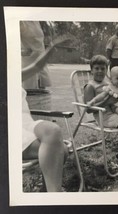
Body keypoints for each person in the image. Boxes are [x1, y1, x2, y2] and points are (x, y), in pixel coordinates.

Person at [22, 41, 68, 192]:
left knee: (53, 130)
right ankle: (54, 196)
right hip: (10, 128)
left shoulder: (11, 73)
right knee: (61, 150)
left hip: (26, 123)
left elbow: (36, 67)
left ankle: (48, 193)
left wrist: (51, 48)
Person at [20, 21, 52, 89]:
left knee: (42, 96)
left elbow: (41, 41)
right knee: (30, 95)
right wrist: (22, 52)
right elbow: (10, 46)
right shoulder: (21, 22)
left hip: (41, 64)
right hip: (28, 66)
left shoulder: (37, 22)